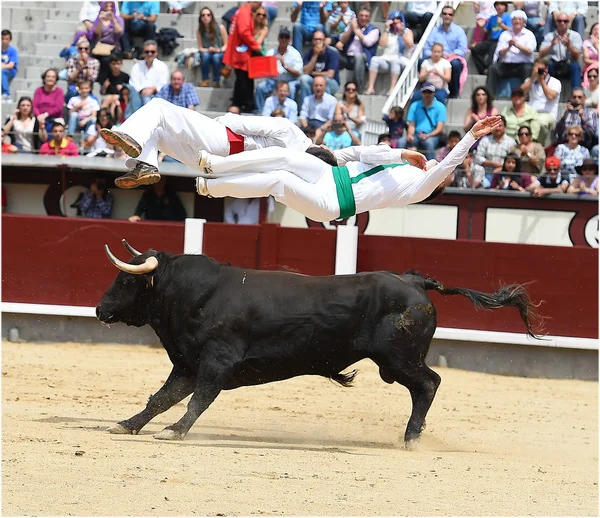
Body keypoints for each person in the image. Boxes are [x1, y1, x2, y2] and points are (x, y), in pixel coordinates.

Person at [193, 117, 502, 223]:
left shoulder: (419, 188)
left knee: (278, 179)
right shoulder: (403, 164)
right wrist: (402, 152)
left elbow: (449, 162)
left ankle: (210, 188)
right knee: (281, 155)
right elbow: (364, 152)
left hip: (334, 203)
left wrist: (471, 136)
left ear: (437, 186)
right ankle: (215, 164)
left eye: (444, 177)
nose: (442, 169)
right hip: (330, 175)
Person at [100, 98, 315, 188]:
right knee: (155, 130)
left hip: (226, 142)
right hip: (216, 167)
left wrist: (215, 123)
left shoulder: (291, 131)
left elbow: (243, 123)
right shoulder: (297, 167)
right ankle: (145, 165)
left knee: (158, 107)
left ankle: (129, 134)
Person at [222, 2, 263, 113]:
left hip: (239, 50)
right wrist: (255, 45)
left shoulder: (243, 11)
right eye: (259, 2)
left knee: (241, 79)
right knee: (244, 79)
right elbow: (244, 32)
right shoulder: (244, 12)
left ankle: (238, 104)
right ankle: (246, 105)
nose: (260, 5)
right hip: (241, 52)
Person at [486, 10, 536, 97]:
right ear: (511, 21)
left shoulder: (529, 35)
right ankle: (490, 96)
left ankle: (525, 96)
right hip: (507, 65)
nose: (517, 21)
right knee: (493, 68)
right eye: (514, 19)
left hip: (522, 65)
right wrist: (509, 47)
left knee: (528, 69)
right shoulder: (505, 34)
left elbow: (529, 51)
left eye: (519, 19)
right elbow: (500, 53)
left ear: (524, 22)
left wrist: (516, 44)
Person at [364, 10, 413, 96]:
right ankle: (370, 87)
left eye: (398, 19)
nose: (396, 21)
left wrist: (401, 32)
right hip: (387, 58)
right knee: (374, 59)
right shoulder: (388, 32)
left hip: (401, 58)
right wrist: (386, 29)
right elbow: (382, 44)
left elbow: (409, 45)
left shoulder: (407, 31)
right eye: (394, 19)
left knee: (395, 61)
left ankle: (392, 89)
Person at [422, 6, 467, 99]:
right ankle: (424, 89)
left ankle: (454, 93)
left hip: (452, 57)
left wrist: (451, 55)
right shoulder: (435, 30)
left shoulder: (459, 31)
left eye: (450, 14)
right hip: (436, 57)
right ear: (441, 16)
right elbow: (427, 48)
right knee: (422, 61)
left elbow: (462, 49)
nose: (447, 16)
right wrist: (434, 55)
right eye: (445, 14)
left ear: (453, 16)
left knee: (455, 64)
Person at [255, 27, 302, 113]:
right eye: (282, 37)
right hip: (274, 81)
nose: (284, 39)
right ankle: (260, 112)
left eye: (286, 37)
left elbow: (298, 73)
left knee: (290, 88)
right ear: (278, 38)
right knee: (260, 87)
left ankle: (288, 113)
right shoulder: (271, 52)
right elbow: (264, 71)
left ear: (290, 40)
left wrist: (285, 66)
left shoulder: (295, 54)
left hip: (289, 80)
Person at [336, 6, 380, 94]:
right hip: (347, 57)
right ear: (357, 16)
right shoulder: (352, 27)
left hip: (363, 60)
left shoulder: (374, 30)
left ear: (369, 17)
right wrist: (351, 29)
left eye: (366, 16)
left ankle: (357, 87)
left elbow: (367, 42)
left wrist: (356, 30)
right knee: (333, 51)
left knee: (359, 57)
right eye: (361, 15)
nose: (363, 18)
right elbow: (342, 40)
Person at [401, 82, 447, 160]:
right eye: (424, 92)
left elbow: (439, 128)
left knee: (429, 143)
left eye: (430, 92)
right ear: (421, 93)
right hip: (416, 135)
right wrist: (410, 135)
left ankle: (431, 168)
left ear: (434, 93)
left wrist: (428, 135)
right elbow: (412, 124)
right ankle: (397, 166)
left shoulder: (441, 107)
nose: (427, 94)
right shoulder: (414, 106)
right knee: (401, 142)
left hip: (432, 135)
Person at [520, 57, 561, 144]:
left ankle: (537, 144)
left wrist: (541, 81)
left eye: (541, 68)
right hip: (531, 113)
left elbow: (550, 97)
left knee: (540, 122)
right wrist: (532, 78)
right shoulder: (529, 80)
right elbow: (520, 93)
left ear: (546, 69)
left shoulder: (555, 82)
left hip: (548, 114)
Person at [539, 11, 583, 89]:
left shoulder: (575, 36)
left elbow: (577, 56)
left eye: (565, 21)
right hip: (554, 63)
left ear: (568, 22)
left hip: (569, 63)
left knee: (575, 67)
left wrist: (569, 46)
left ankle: (576, 94)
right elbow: (541, 53)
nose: (562, 23)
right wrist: (551, 45)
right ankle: (546, 93)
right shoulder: (549, 36)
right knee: (546, 66)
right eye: (560, 21)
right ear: (556, 22)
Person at [298, 30, 340, 108]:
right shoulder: (309, 54)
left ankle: (325, 109)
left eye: (320, 39)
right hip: (314, 83)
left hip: (331, 83)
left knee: (324, 82)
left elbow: (330, 74)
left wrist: (313, 73)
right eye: (316, 39)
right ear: (312, 41)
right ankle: (305, 109)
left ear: (324, 41)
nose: (318, 41)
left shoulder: (332, 53)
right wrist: (315, 55)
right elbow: (306, 72)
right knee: (304, 79)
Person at [472, 115, 516, 188]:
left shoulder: (511, 142)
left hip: (503, 174)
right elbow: (478, 158)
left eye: (500, 126)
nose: (497, 128)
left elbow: (513, 162)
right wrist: (493, 164)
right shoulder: (485, 140)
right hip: (485, 173)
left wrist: (501, 167)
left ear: (505, 127)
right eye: (495, 126)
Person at [471, 1, 512, 76]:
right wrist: (482, 26)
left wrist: (501, 24)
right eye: (497, 5)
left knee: (491, 55)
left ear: (505, 7)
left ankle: (489, 71)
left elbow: (511, 30)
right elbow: (485, 31)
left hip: (501, 41)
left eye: (502, 5)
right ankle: (484, 70)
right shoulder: (492, 18)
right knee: (475, 49)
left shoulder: (508, 16)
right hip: (491, 40)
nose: (499, 7)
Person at [129, 39, 169, 105]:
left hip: (156, 95)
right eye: (147, 52)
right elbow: (133, 83)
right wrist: (142, 90)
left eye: (152, 52)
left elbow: (163, 84)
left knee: (147, 100)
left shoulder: (162, 66)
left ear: (156, 53)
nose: (149, 54)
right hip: (138, 94)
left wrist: (152, 89)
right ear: (143, 53)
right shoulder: (136, 66)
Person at [196, 7, 228, 88]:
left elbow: (226, 45)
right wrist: (208, 50)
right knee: (205, 56)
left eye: (208, 15)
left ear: (212, 16)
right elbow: (200, 47)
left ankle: (216, 81)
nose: (205, 17)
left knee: (216, 57)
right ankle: (205, 80)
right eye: (203, 15)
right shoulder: (200, 30)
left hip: (219, 52)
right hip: (207, 52)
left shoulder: (220, 28)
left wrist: (218, 50)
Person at [99, 54, 131, 122]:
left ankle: (115, 122)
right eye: (113, 64)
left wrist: (122, 88)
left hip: (120, 98)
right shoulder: (106, 76)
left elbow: (128, 92)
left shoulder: (125, 76)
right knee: (109, 100)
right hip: (108, 97)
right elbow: (102, 92)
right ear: (110, 65)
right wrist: (105, 86)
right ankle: (102, 120)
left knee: (114, 101)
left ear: (121, 64)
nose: (116, 66)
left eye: (118, 64)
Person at [32, 68, 64, 133]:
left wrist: (45, 115)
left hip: (54, 118)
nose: (50, 79)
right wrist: (38, 116)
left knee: (49, 127)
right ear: (44, 78)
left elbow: (58, 108)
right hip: (39, 118)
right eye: (48, 76)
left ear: (56, 79)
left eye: (53, 77)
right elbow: (34, 106)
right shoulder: (39, 91)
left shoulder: (59, 91)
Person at [1, 29, 18, 100]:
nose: (4, 41)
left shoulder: (13, 50)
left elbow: (11, 65)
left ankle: (6, 93)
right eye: (2, 39)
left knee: (2, 72)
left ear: (10, 40)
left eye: (7, 39)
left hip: (10, 71)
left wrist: (1, 66)